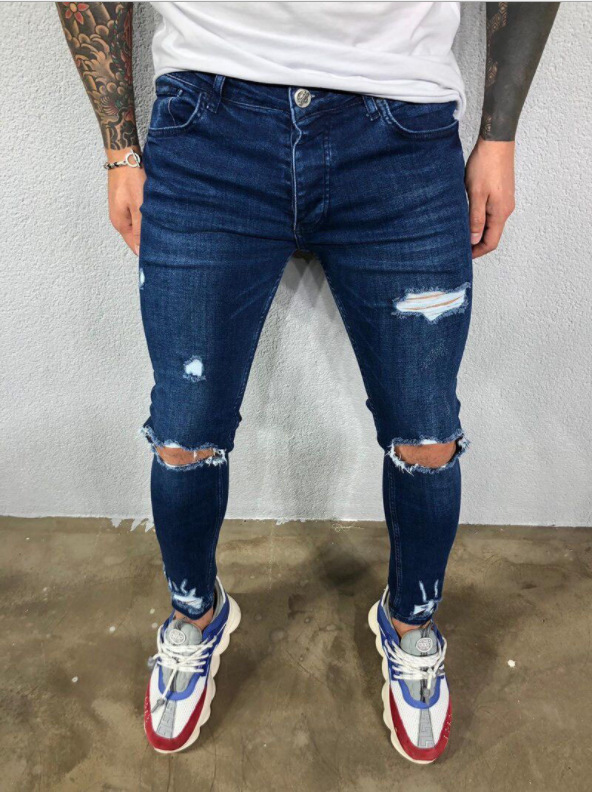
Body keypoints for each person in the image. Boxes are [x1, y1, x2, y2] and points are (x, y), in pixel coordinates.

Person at [57, 1, 558, 762]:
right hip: (208, 123)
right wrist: (119, 147)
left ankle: (410, 622)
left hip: (402, 128)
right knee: (184, 434)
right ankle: (195, 615)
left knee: (427, 437)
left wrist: (499, 135)